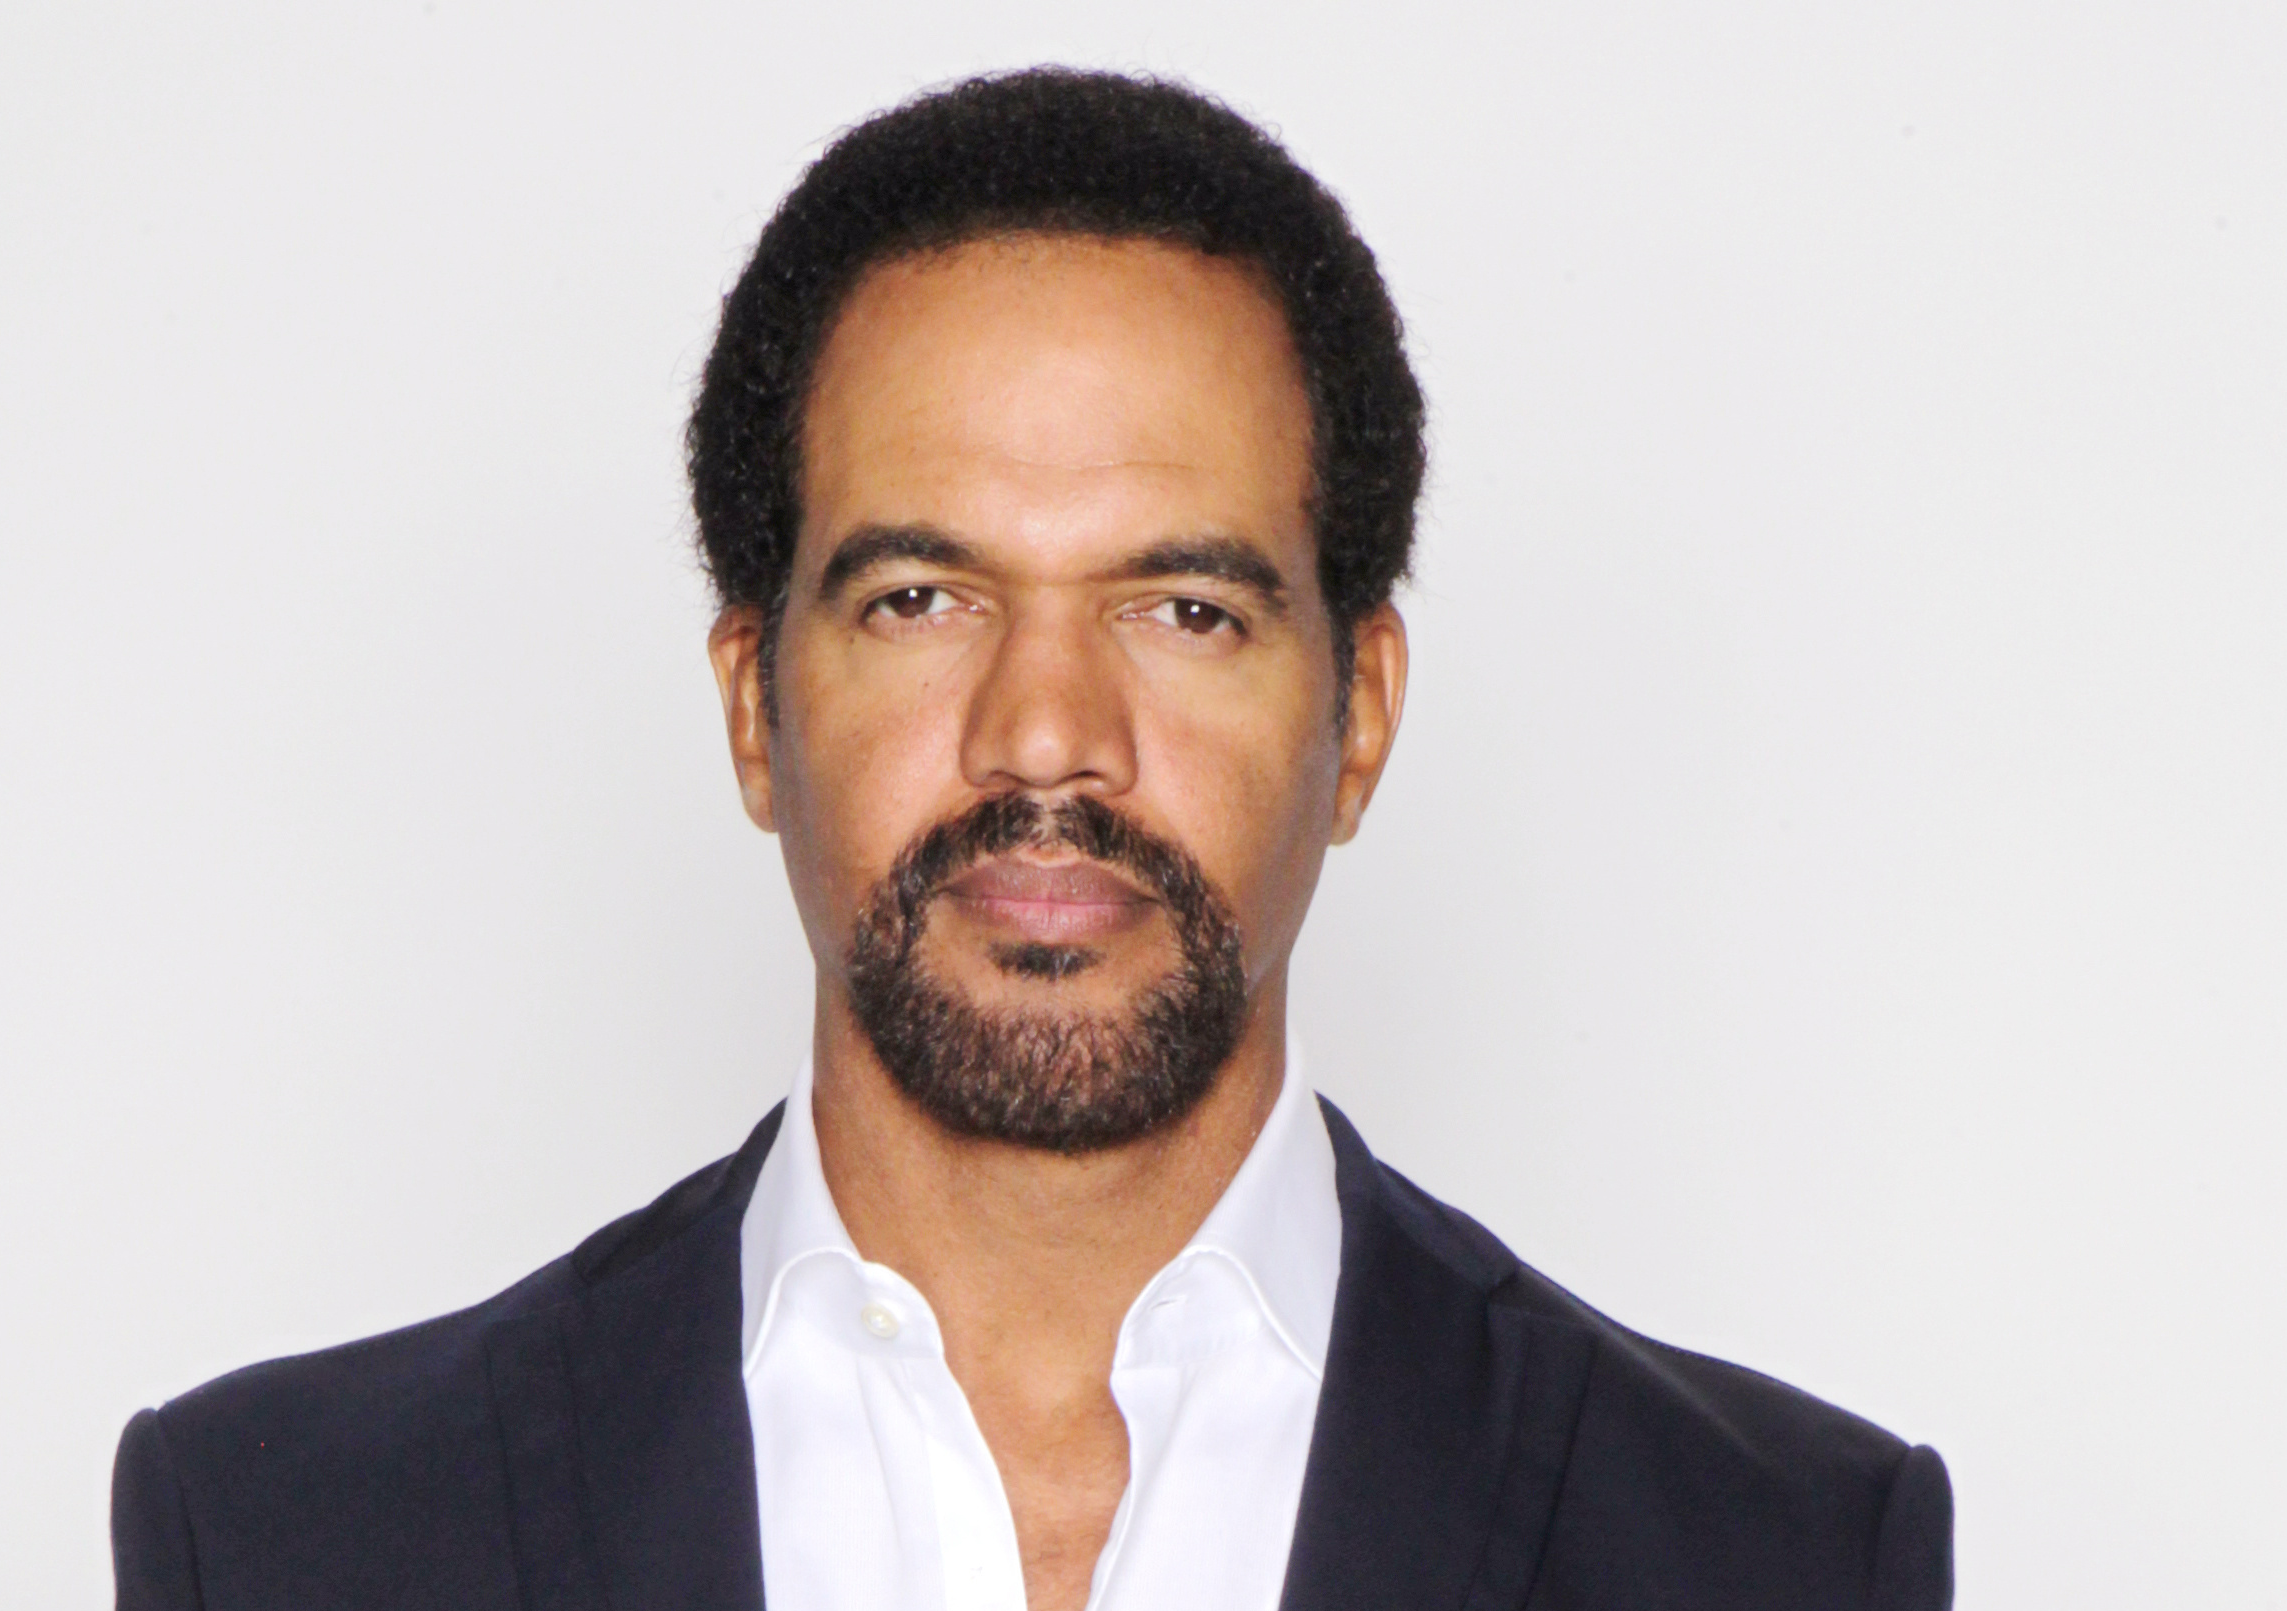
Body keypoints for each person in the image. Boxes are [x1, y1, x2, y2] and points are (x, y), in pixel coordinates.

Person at [110, 68, 1952, 1611]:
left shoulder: (1781, 1556)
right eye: (922, 599)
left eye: (1185, 610)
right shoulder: (287, 1540)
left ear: (1362, 717)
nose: (1047, 733)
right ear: (754, 705)